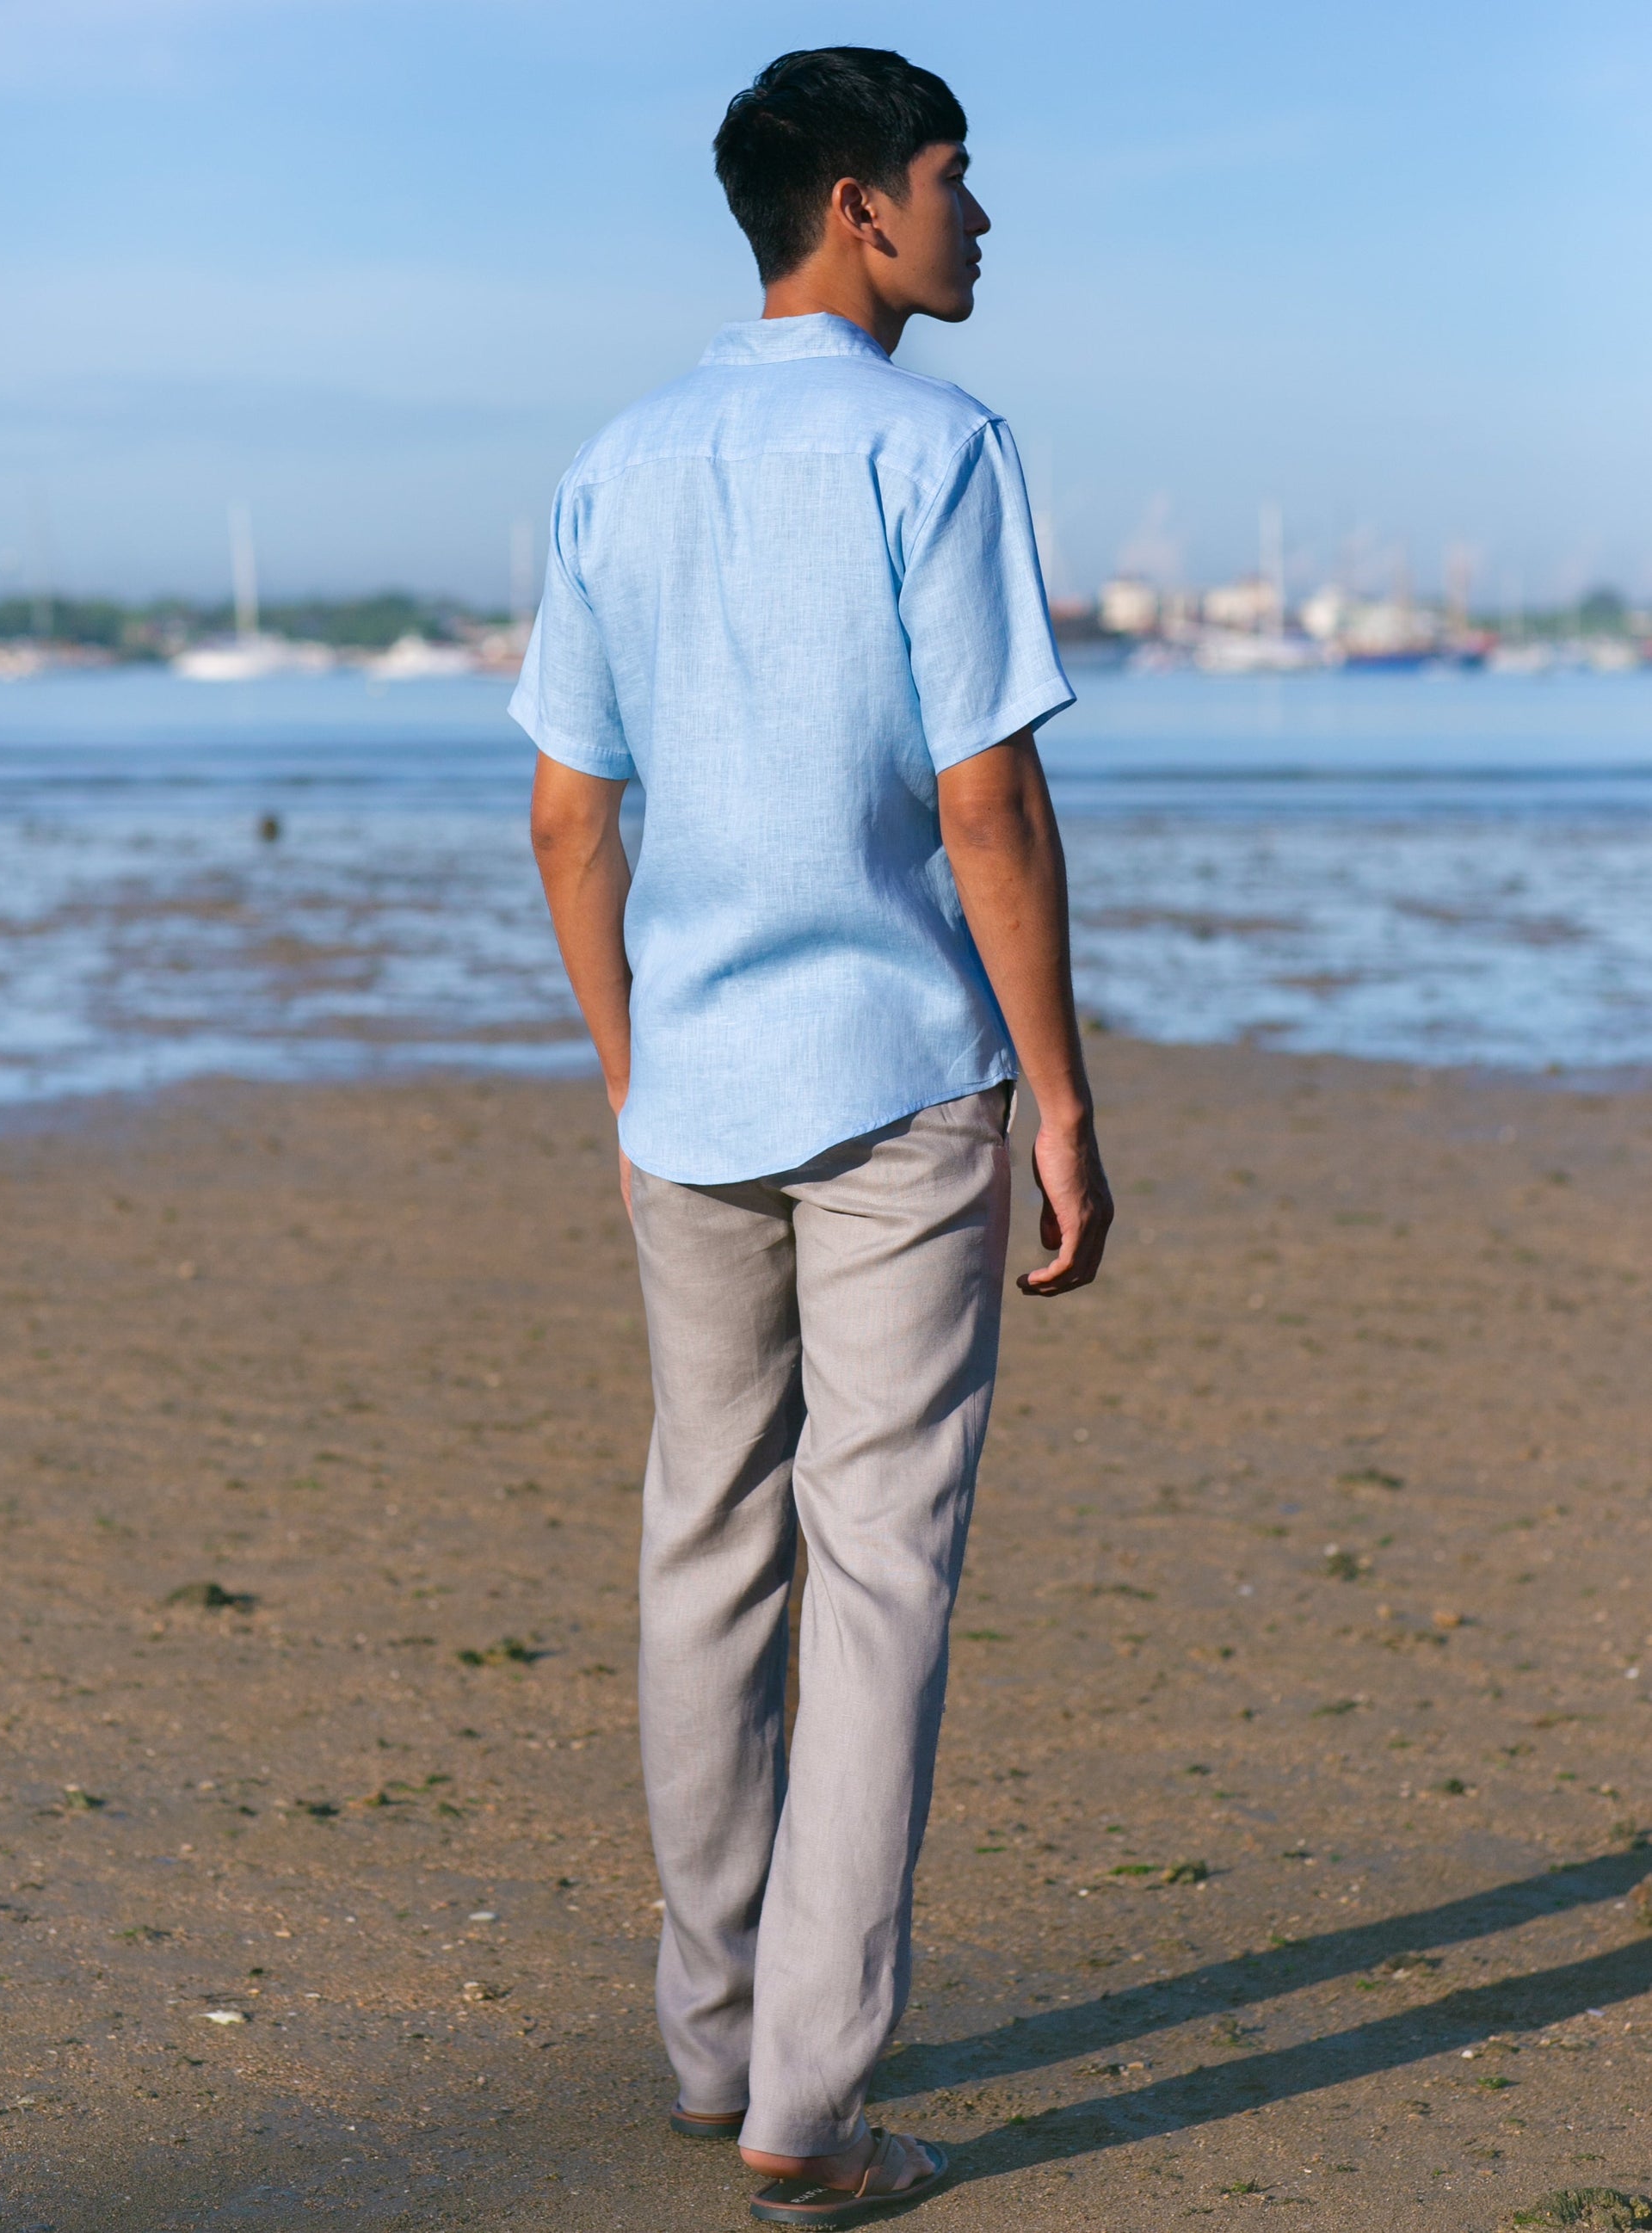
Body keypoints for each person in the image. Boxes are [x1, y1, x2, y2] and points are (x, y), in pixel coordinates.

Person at [518, 46, 1114, 2224]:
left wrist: (627, 1065)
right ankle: (807, 2101)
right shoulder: (936, 445)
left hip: (691, 1089)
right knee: (875, 1570)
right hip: (893, 1081)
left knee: (704, 1542)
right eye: (956, 176)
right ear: (860, 205)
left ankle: (711, 2041)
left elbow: (569, 816)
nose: (981, 216)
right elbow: (988, 800)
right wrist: (1063, 1096)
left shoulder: (617, 461)